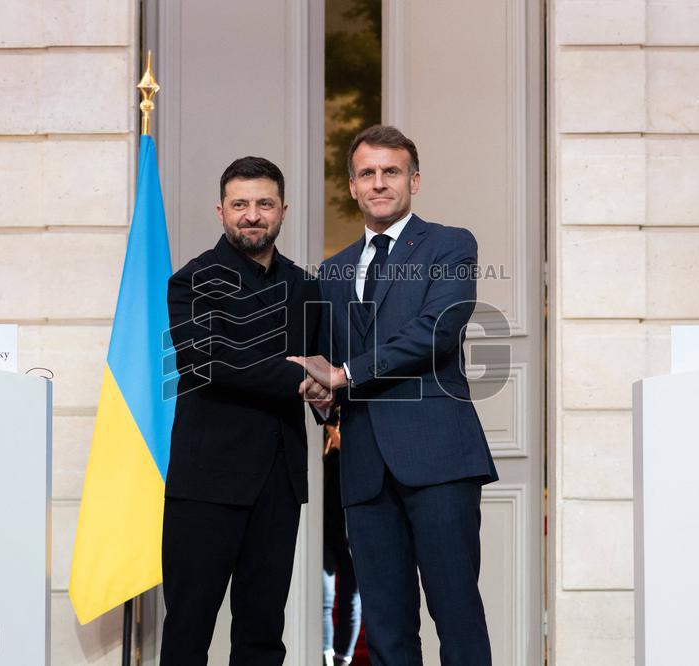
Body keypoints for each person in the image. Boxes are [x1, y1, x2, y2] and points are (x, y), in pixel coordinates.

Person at [288, 125, 497, 665]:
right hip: (363, 470)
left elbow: (436, 332)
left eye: (391, 171)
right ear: (353, 186)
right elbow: (333, 372)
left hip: (439, 460)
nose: (379, 183)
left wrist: (345, 374)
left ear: (414, 180)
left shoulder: (450, 244)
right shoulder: (332, 272)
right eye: (367, 173)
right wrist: (321, 396)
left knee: (456, 614)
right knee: (386, 625)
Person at [161, 156, 330, 666]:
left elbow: (321, 365)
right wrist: (301, 378)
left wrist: (326, 392)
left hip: (278, 482)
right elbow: (214, 361)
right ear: (221, 211)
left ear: (283, 211)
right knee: (190, 627)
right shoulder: (191, 281)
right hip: (207, 483)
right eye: (240, 204)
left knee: (262, 633)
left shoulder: (305, 287)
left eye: (264, 204)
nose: (252, 215)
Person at [321, 415, 362, 666]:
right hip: (323, 528)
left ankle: (343, 659)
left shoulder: (357, 436)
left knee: (352, 596)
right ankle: (326, 658)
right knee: (325, 598)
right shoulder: (322, 439)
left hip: (352, 529)